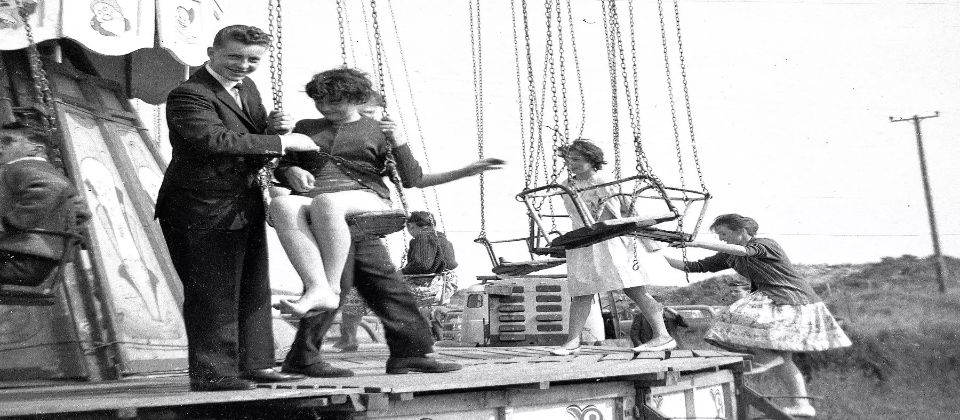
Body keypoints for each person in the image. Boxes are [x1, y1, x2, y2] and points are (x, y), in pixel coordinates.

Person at [270, 67, 503, 375]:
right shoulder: (306, 126)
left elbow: (411, 177)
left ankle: (405, 352)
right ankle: (316, 356)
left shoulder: (378, 130)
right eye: (320, 102)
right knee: (370, 284)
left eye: (334, 102)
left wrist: (402, 142)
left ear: (356, 99)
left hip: (359, 211)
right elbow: (284, 166)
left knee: (375, 285)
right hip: (321, 214)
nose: (326, 109)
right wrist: (290, 172)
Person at [155, 24, 320, 392]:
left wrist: (274, 138)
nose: (243, 65)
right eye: (234, 56)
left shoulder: (247, 88)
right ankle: (213, 372)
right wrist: (281, 139)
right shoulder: (189, 94)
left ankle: (256, 365)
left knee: (253, 284)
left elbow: (250, 138)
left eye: (252, 60)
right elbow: (215, 140)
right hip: (200, 206)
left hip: (241, 201)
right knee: (213, 290)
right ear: (211, 53)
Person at [666, 213, 852, 418]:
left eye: (724, 233)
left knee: (734, 319)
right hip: (777, 299)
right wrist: (658, 255)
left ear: (741, 231)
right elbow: (696, 266)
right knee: (784, 358)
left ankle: (767, 359)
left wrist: (694, 243)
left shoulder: (765, 244)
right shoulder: (730, 254)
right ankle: (801, 403)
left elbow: (747, 251)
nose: (720, 239)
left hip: (791, 298)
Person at [550, 139, 677, 356]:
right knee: (582, 292)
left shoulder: (603, 181)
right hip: (583, 240)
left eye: (577, 160)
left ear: (592, 161)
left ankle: (662, 335)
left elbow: (622, 210)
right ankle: (572, 341)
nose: (572, 164)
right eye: (569, 160)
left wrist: (647, 240)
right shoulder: (566, 185)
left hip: (610, 239)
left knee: (633, 287)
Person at [0, 122, 83, 286]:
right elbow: (81, 212)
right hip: (37, 262)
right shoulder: (45, 173)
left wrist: (11, 222)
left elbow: (51, 187)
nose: (1, 148)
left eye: (8, 141)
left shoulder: (23, 167)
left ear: (36, 149)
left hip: (21, 257)